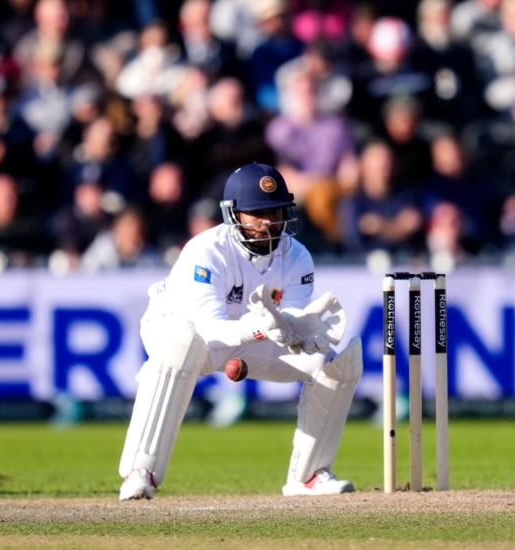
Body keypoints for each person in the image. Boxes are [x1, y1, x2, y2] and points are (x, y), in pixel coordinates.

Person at [118, 162, 362, 500]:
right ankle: (139, 472)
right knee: (182, 342)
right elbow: (207, 327)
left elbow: (286, 321)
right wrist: (256, 327)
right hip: (185, 331)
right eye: (257, 214)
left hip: (252, 340)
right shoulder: (206, 252)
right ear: (233, 215)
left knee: (335, 363)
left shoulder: (297, 257)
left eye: (275, 212)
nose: (268, 222)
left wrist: (298, 328)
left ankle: (309, 477)